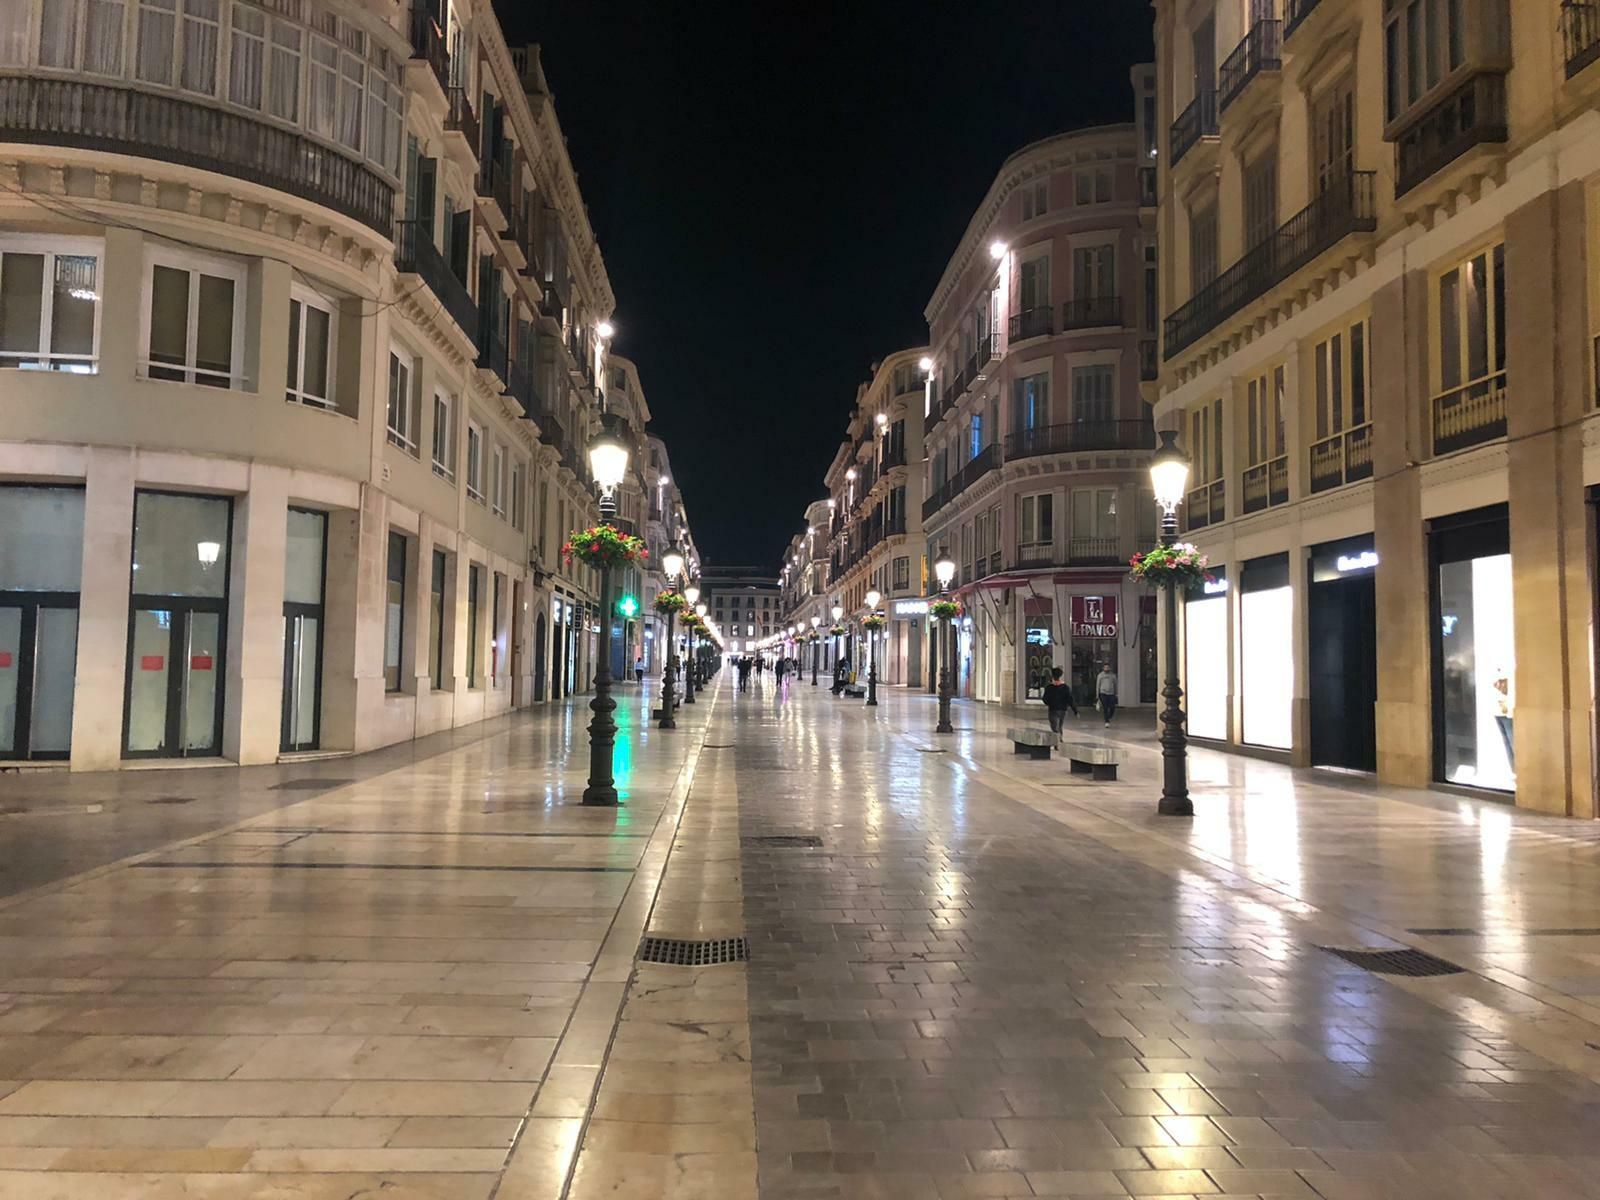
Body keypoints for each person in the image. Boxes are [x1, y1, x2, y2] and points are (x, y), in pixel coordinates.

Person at [1041, 666, 1077, 735]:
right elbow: (1070, 699)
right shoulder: (1065, 687)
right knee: (1060, 726)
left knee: (1054, 727)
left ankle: (1057, 740)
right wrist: (1075, 710)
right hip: (1063, 709)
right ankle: (1059, 738)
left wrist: (1050, 703)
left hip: (1053, 709)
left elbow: (1044, 699)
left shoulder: (1049, 688)